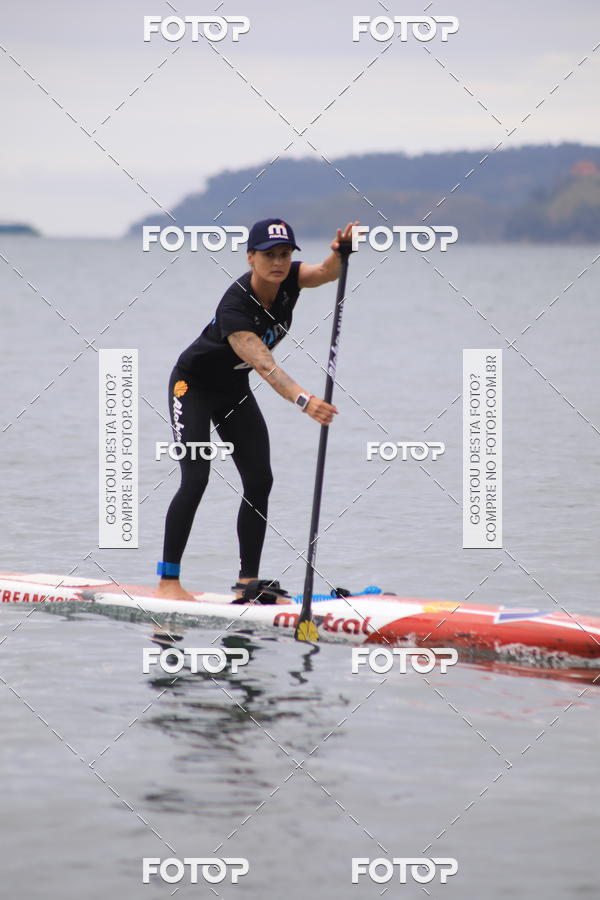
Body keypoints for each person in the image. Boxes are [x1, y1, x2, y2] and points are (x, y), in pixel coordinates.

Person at [156, 217, 358, 603]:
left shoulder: (290, 280)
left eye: (284, 254)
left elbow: (326, 273)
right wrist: (305, 401)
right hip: (192, 387)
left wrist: (339, 253)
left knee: (259, 480)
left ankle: (247, 583)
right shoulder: (234, 307)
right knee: (196, 478)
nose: (278, 262)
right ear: (251, 257)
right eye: (268, 255)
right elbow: (265, 365)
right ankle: (168, 582)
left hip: (233, 390)